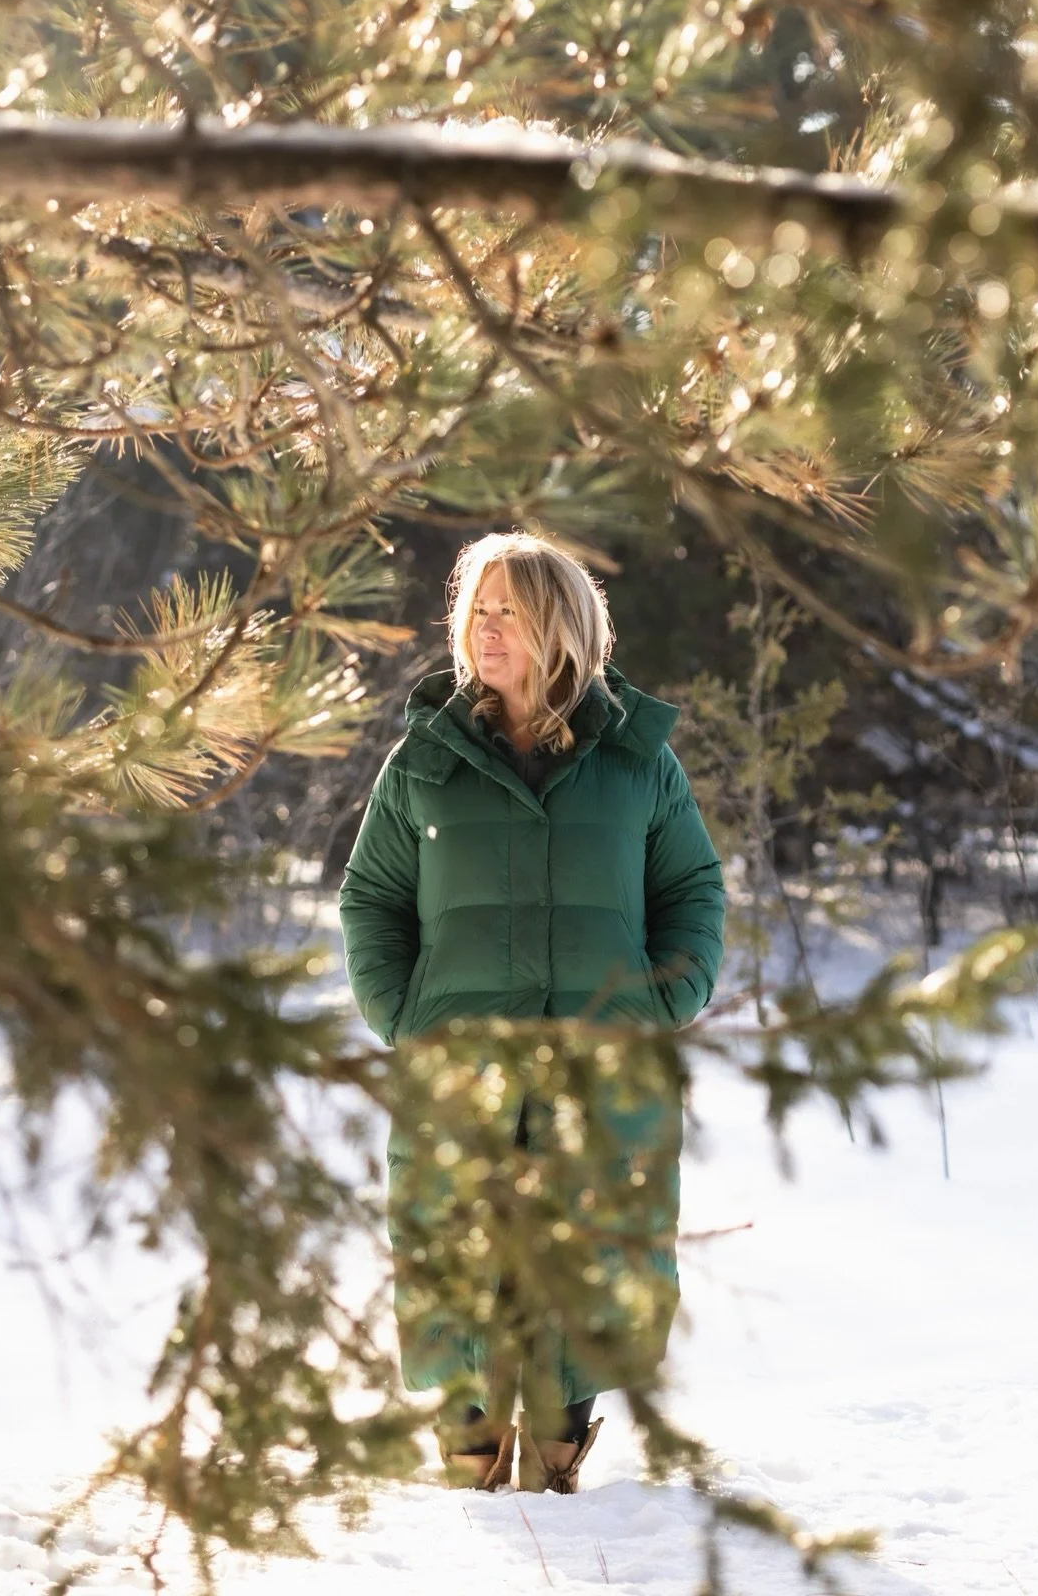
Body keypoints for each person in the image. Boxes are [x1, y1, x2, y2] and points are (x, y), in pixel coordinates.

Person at [339, 532, 725, 1494]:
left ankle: (559, 1458)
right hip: (458, 1060)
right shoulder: (424, 759)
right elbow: (370, 898)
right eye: (477, 608)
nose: (486, 627)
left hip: (604, 1057)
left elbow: (692, 890)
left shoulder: (637, 762)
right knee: (455, 1243)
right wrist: (403, 1011)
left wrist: (662, 996)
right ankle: (471, 1456)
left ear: (562, 624)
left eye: (509, 608)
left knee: (596, 1252)